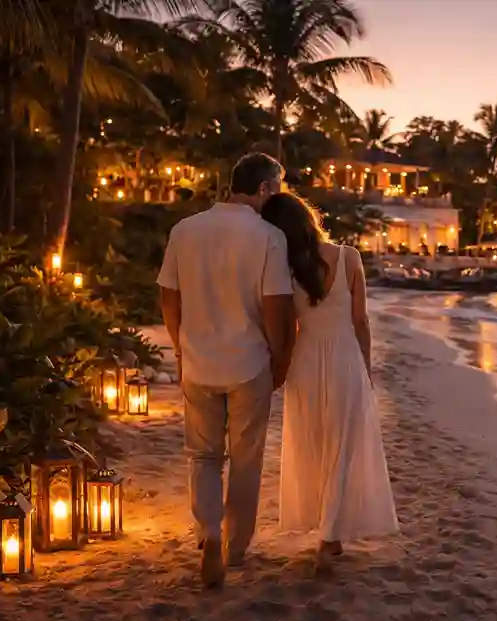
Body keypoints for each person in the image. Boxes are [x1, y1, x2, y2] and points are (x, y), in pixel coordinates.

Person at [157, 153, 293, 588]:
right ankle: (234, 547)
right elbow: (276, 306)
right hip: (249, 363)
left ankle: (209, 532)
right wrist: (280, 358)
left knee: (203, 455)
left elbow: (168, 297)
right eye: (279, 187)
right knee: (246, 458)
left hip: (198, 362)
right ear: (266, 187)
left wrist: (181, 346)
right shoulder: (270, 236)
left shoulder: (185, 229)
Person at [261, 192, 398, 567]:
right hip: (344, 357)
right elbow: (361, 321)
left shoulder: (285, 267)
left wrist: (279, 367)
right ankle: (329, 535)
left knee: (313, 444)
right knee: (342, 445)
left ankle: (328, 531)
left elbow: (286, 327)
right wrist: (365, 367)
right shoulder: (349, 256)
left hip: (305, 360)